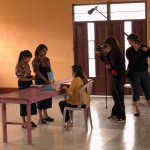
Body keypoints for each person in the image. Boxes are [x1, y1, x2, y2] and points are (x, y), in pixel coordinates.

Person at [95, 37, 126, 121]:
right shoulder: (111, 52)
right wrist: (99, 54)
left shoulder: (119, 54)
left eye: (107, 45)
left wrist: (111, 66)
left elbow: (121, 67)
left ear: (112, 45)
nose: (106, 47)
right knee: (115, 95)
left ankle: (122, 116)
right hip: (115, 76)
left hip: (120, 76)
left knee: (119, 96)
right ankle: (115, 113)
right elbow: (106, 59)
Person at [126, 33, 150, 116]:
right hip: (134, 73)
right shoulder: (129, 50)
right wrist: (136, 51)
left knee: (148, 90)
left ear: (135, 40)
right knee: (136, 91)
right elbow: (132, 61)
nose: (129, 43)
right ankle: (137, 110)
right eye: (128, 42)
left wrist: (146, 50)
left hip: (144, 73)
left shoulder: (143, 47)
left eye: (130, 41)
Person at [59, 65, 88, 129]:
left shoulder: (75, 80)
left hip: (77, 103)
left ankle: (67, 120)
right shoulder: (83, 78)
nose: (71, 72)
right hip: (84, 102)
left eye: (72, 71)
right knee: (65, 103)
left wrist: (66, 88)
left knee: (61, 103)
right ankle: (69, 120)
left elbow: (70, 93)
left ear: (75, 72)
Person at [32, 44, 54, 124]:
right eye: (43, 51)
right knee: (40, 98)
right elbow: (37, 72)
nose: (45, 52)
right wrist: (45, 79)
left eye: (46, 51)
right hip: (40, 81)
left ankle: (46, 115)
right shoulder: (36, 60)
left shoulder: (47, 59)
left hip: (47, 80)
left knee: (47, 97)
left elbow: (50, 69)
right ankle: (40, 117)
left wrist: (51, 78)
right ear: (39, 50)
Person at [15, 50, 37, 128]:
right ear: (24, 57)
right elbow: (21, 78)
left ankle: (29, 120)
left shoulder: (27, 64)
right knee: (24, 103)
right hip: (23, 85)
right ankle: (24, 122)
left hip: (29, 83)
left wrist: (32, 77)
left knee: (30, 102)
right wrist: (30, 79)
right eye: (29, 58)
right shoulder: (18, 65)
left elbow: (28, 74)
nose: (29, 60)